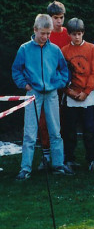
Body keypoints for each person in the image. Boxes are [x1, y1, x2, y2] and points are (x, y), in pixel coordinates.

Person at [12, 14, 72, 180]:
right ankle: (25, 169)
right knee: (30, 132)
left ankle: (58, 165)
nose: (45, 37)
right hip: (33, 94)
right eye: (43, 33)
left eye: (48, 34)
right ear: (35, 30)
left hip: (51, 93)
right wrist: (25, 85)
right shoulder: (24, 49)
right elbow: (16, 70)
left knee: (55, 131)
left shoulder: (55, 50)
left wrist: (57, 83)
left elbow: (63, 70)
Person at [60, 18, 94, 172]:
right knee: (69, 131)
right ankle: (69, 159)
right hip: (70, 96)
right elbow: (62, 74)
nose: (77, 37)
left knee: (89, 129)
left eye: (79, 34)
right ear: (69, 34)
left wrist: (86, 92)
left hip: (87, 96)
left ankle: (92, 160)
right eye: (73, 34)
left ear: (83, 33)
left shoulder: (91, 49)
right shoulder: (64, 51)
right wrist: (68, 91)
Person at [36, 0, 69, 169]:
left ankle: (63, 157)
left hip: (63, 85)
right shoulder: (44, 34)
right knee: (43, 121)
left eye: (61, 17)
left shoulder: (68, 34)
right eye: (55, 17)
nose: (58, 21)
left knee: (62, 121)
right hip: (45, 85)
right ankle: (46, 155)